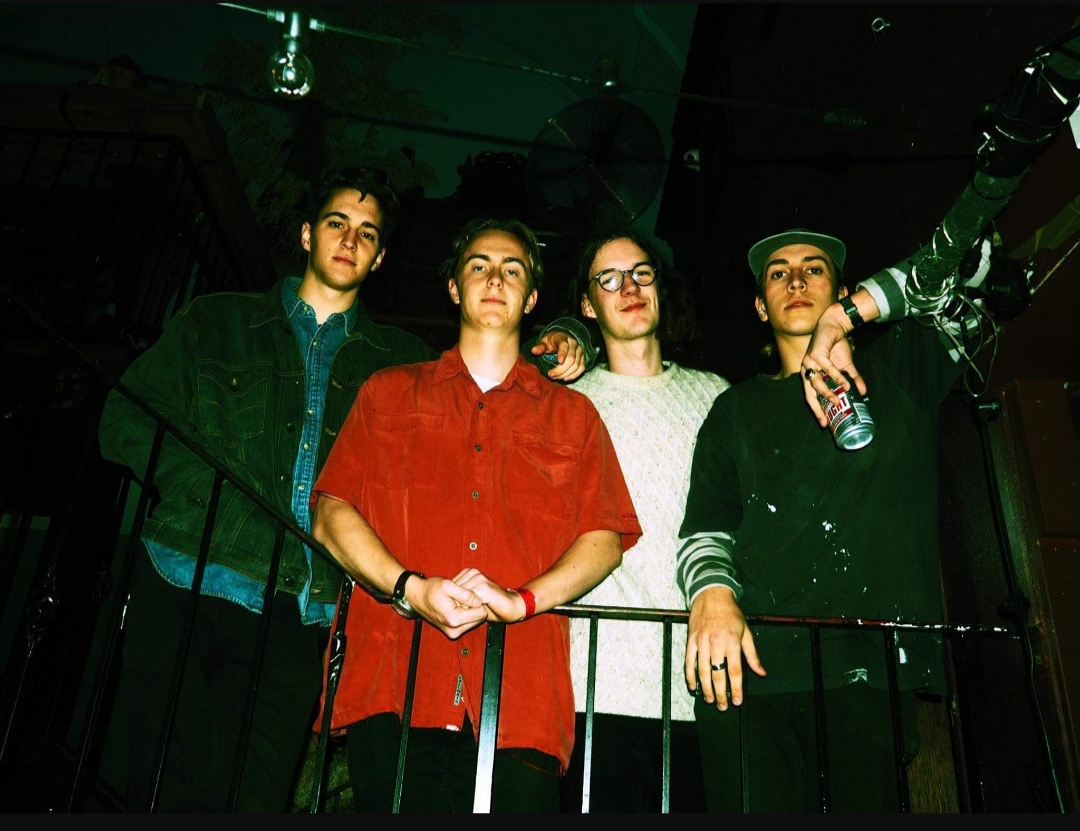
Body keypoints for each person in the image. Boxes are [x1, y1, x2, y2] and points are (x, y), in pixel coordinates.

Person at [97, 167, 594, 812]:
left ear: (380, 257)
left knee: (257, 797)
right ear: (307, 234)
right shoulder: (217, 320)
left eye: (368, 233)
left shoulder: (395, 363)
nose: (350, 240)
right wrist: (213, 496)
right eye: (337, 223)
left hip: (303, 606)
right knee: (163, 785)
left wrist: (575, 335)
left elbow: (491, 371)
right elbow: (127, 419)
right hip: (190, 573)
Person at [309, 216, 643, 813]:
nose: (495, 278)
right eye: (479, 266)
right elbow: (332, 512)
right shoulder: (388, 391)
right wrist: (409, 588)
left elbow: (605, 536)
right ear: (453, 287)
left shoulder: (574, 416)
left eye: (512, 270)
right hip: (396, 679)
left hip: (521, 701)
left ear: (532, 298)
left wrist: (523, 601)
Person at [679, 227, 977, 812]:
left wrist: (847, 319)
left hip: (868, 668)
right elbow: (706, 528)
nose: (796, 280)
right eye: (778, 273)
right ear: (760, 306)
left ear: (842, 291)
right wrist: (711, 593)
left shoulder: (899, 371)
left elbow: (971, 262)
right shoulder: (735, 408)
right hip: (751, 674)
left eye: (814, 269)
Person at [557, 231, 730, 813]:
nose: (628, 287)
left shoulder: (715, 396)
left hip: (702, 682)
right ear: (587, 305)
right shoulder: (567, 403)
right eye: (608, 279)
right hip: (595, 683)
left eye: (641, 272)